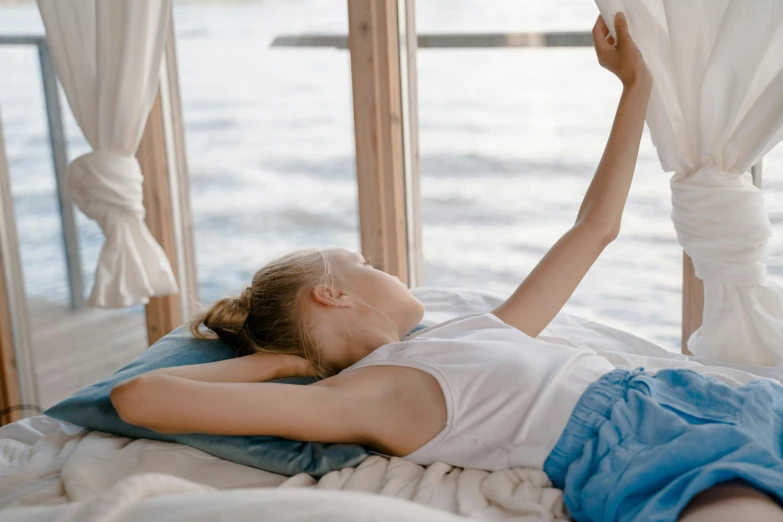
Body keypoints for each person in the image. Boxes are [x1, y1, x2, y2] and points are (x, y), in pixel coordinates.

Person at [110, 12, 783, 522]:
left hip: (686, 398)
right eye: (363, 261)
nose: (385, 267)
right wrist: (291, 363)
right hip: (631, 443)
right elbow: (137, 398)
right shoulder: (364, 395)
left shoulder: (464, 332)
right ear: (331, 295)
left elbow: (594, 229)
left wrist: (635, 85)